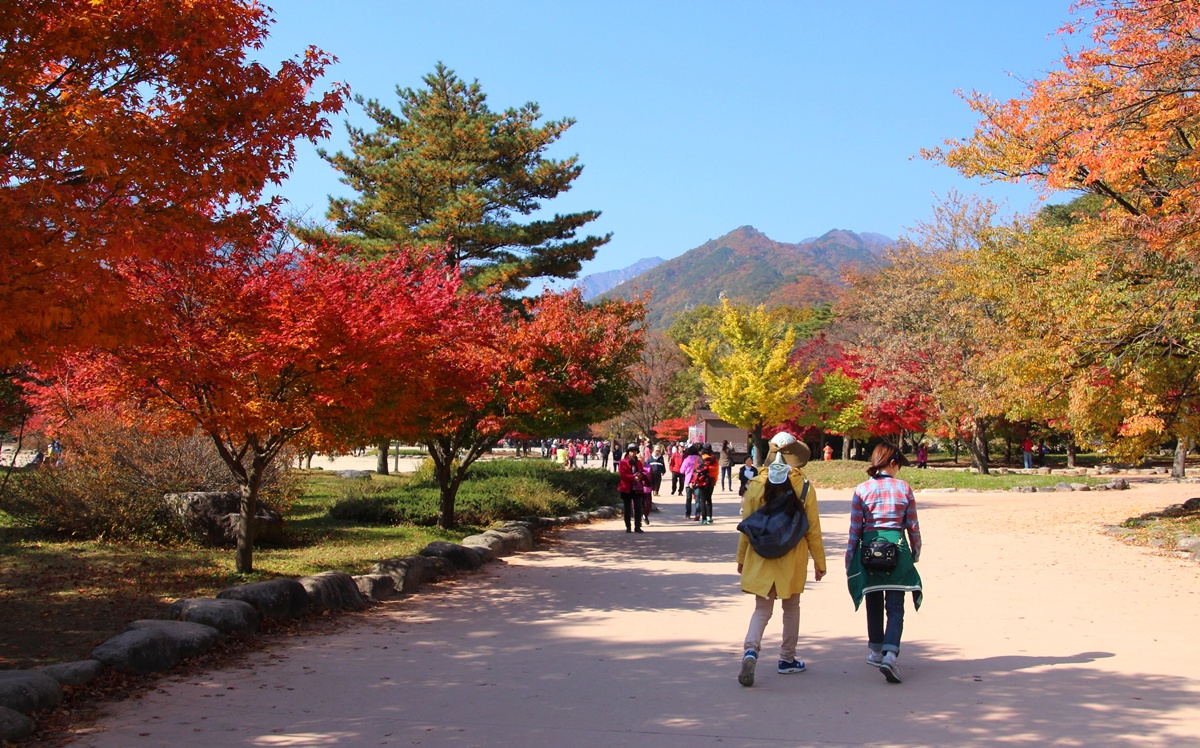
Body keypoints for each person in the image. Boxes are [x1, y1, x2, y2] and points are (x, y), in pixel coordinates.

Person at [736, 431, 826, 687]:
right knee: (791, 607)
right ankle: (787, 659)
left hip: (761, 554)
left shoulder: (756, 484)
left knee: (762, 609)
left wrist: (741, 558)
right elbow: (813, 529)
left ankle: (751, 650)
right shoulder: (804, 486)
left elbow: (747, 526)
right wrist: (819, 562)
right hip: (792, 556)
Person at [845, 443, 923, 685]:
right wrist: (916, 551)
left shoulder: (862, 489)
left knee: (873, 599)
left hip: (869, 550)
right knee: (896, 605)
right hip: (897, 549)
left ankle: (876, 650)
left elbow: (855, 529)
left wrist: (850, 558)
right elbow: (912, 525)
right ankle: (891, 654)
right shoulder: (904, 488)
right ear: (892, 463)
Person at [617, 444, 647, 533]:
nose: (633, 453)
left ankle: (637, 526)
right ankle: (628, 526)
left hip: (637, 488)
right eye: (631, 451)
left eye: (635, 451)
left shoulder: (638, 462)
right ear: (628, 452)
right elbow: (622, 475)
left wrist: (641, 476)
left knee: (638, 507)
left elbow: (642, 472)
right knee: (627, 508)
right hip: (626, 487)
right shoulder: (623, 462)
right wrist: (633, 477)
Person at [693, 445, 718, 524]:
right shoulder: (714, 459)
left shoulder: (700, 458)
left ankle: (704, 519)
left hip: (702, 481)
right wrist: (715, 481)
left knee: (702, 500)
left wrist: (693, 481)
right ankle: (709, 517)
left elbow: (695, 470)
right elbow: (716, 471)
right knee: (709, 499)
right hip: (711, 481)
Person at [681, 445, 701, 518]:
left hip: (688, 480)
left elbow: (681, 471)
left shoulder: (687, 459)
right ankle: (697, 513)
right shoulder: (699, 459)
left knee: (688, 499)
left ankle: (688, 514)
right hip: (698, 480)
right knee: (697, 498)